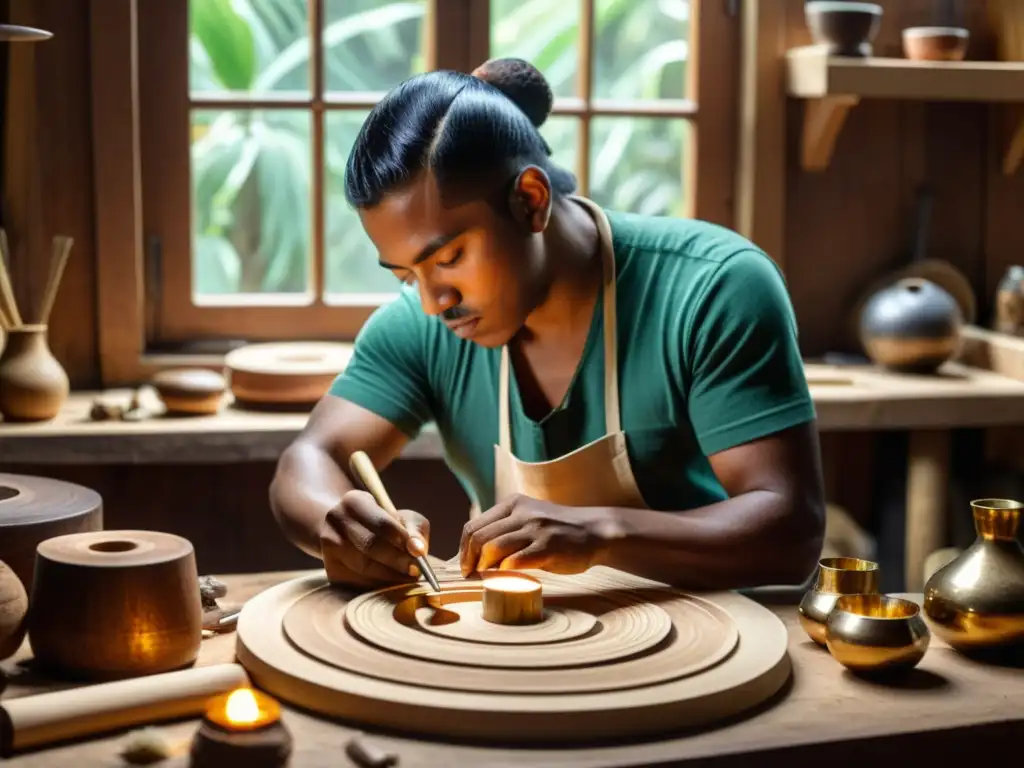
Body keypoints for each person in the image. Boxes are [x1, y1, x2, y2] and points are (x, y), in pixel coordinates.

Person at [269, 58, 826, 592]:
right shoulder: (421, 325)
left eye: (449, 258)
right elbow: (309, 460)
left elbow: (789, 530)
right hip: (521, 644)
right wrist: (340, 525)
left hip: (713, 644)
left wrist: (602, 532)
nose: (435, 303)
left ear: (530, 202)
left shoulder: (713, 289)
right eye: (406, 274)